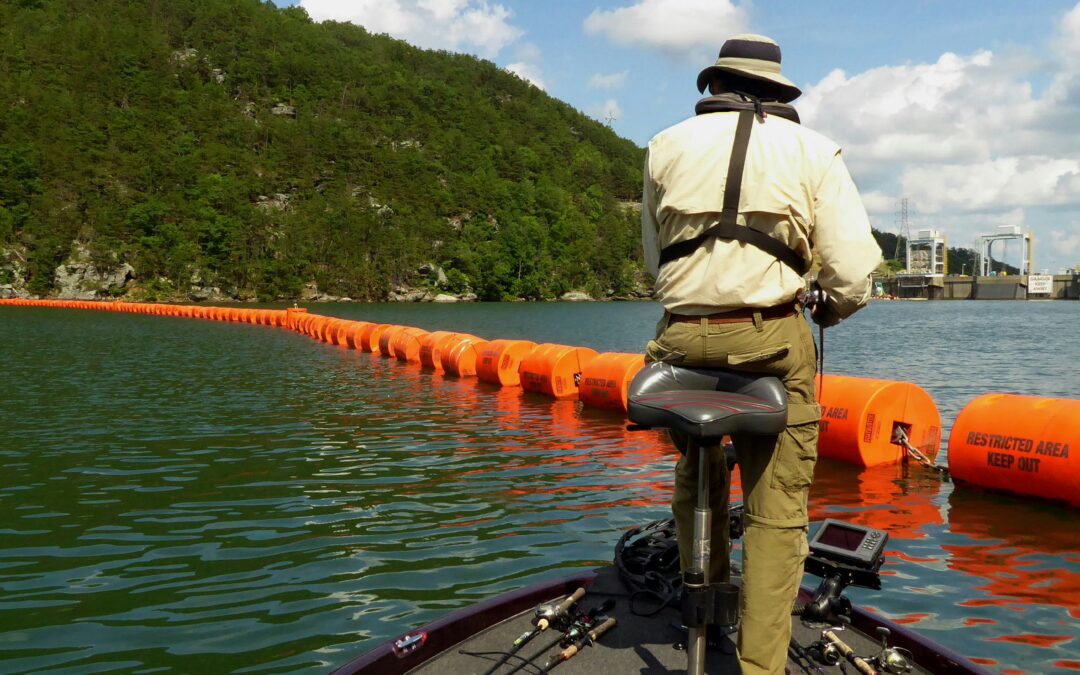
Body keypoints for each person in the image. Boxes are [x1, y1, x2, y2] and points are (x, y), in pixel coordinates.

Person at [640, 34, 882, 674]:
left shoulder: (664, 145)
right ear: (776, 95)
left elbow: (651, 259)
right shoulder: (811, 150)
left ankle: (707, 605)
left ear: (715, 87)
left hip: (681, 339)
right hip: (771, 337)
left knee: (700, 473)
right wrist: (826, 307)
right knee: (777, 515)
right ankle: (760, 666)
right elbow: (855, 273)